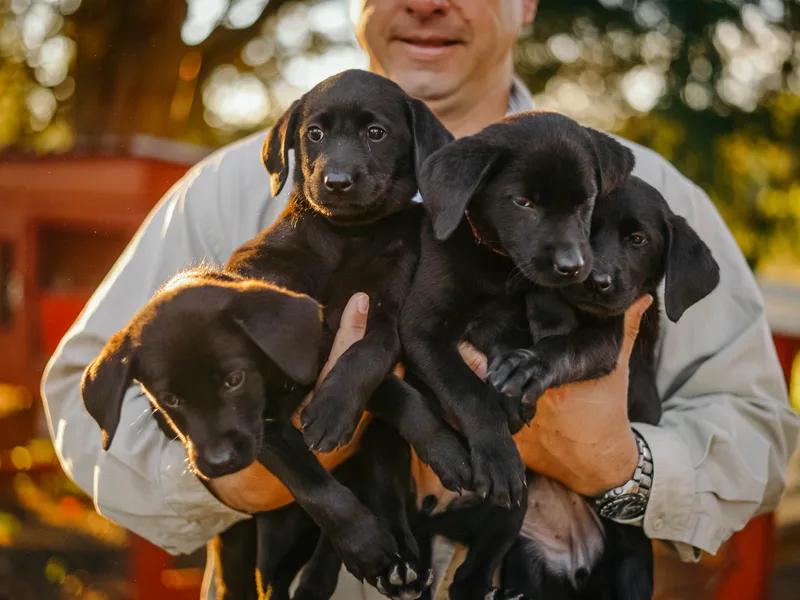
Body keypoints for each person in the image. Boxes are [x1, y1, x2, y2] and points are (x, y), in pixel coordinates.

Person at [41, 1, 799, 598]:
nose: (429, 3)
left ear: (526, 3)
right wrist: (233, 475)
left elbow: (760, 430)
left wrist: (617, 463)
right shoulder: (234, 191)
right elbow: (85, 397)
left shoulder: (644, 198)